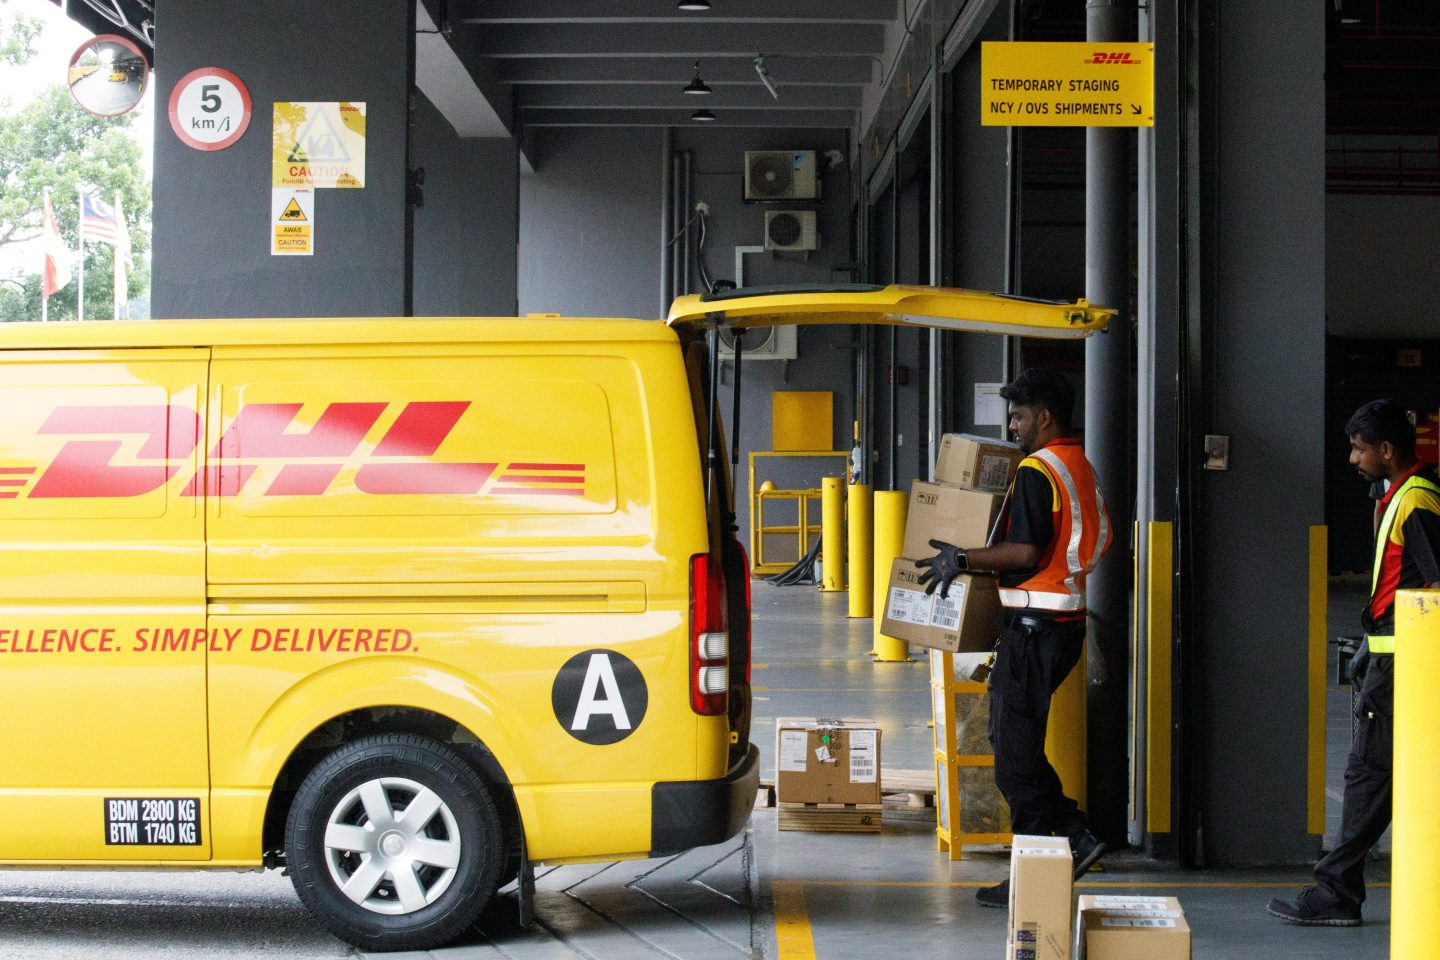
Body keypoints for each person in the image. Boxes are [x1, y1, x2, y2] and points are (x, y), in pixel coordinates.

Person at [917, 368, 1112, 908]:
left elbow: (1025, 550)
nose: (1012, 426)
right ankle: (1074, 834)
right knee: (1013, 745)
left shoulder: (1037, 470)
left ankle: (1037, 871)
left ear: (1044, 417)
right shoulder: (1078, 465)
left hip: (1033, 631)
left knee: (1014, 760)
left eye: (1019, 416)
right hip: (1061, 627)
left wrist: (962, 559)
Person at [1269, 399, 1440, 927]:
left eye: (1360, 449)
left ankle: (1336, 892)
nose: (1352, 458)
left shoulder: (1415, 501)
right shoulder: (1401, 494)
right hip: (1393, 660)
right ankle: (1337, 887)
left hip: (1399, 668)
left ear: (1386, 449)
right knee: (1379, 777)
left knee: (1368, 776)